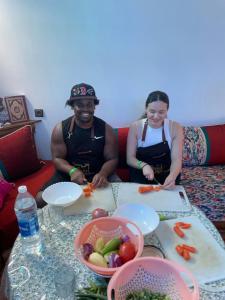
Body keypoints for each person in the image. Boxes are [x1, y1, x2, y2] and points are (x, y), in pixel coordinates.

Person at [36, 83, 118, 207]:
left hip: (98, 175)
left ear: (94, 106)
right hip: (68, 175)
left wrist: (103, 174)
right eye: (80, 105)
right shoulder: (60, 129)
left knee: (120, 197)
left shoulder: (106, 129)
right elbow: (57, 158)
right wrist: (72, 171)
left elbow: (112, 158)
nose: (85, 109)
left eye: (89, 104)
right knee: (39, 200)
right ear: (72, 106)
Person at [126, 90, 183, 189]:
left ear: (167, 110)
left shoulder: (175, 127)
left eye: (161, 112)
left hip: (166, 175)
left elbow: (176, 159)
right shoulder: (136, 127)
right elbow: (130, 158)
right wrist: (144, 166)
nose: (156, 116)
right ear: (146, 109)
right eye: (152, 111)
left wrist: (172, 176)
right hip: (142, 175)